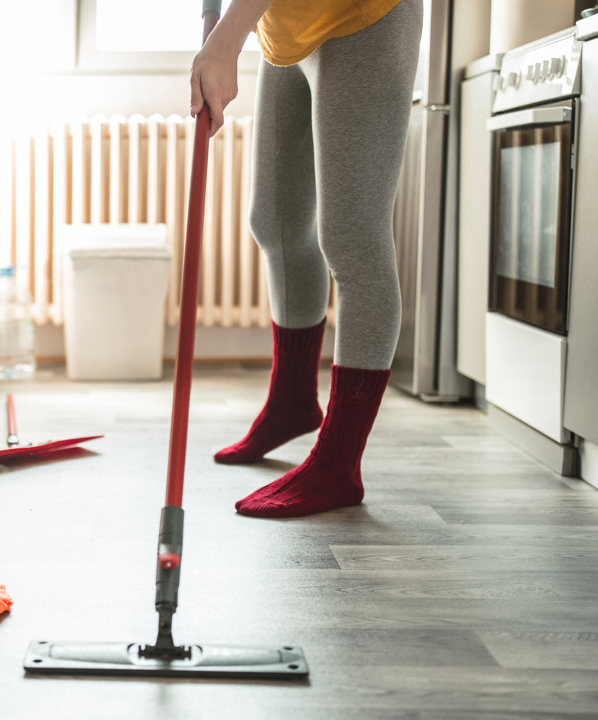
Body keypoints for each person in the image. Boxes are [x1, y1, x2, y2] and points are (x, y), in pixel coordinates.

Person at [189, 0, 423, 517]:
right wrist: (221, 24)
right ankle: (292, 401)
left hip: (363, 18)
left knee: (352, 238)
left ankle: (339, 464)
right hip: (287, 29)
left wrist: (227, 39)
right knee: (274, 220)